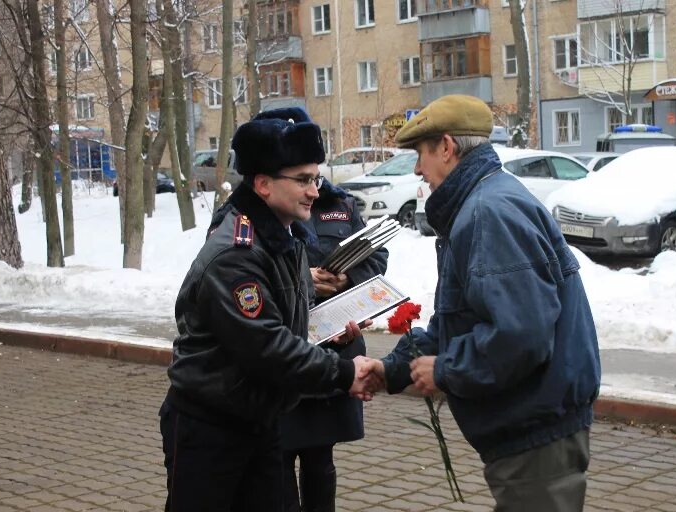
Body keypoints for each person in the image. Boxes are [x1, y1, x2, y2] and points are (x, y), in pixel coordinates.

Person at [366, 95, 601, 511]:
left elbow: (521, 335)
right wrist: (394, 369)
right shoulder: (481, 202)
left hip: (536, 433)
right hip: (529, 429)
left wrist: (448, 370)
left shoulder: (487, 212)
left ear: (446, 147)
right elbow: (461, 318)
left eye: (421, 153)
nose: (417, 169)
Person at [159, 107, 377, 512]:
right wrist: (344, 372)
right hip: (210, 429)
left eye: (315, 178)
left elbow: (288, 323)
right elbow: (267, 347)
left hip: (261, 421)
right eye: (303, 180)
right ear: (262, 184)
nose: (315, 190)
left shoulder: (282, 236)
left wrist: (331, 334)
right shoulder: (236, 254)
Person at [280, 177, 389, 512]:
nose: (310, 185)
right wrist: (303, 277)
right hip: (282, 351)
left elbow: (377, 256)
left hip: (334, 349)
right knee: (276, 459)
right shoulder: (260, 210)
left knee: (320, 459)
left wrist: (349, 278)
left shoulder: (340, 204)